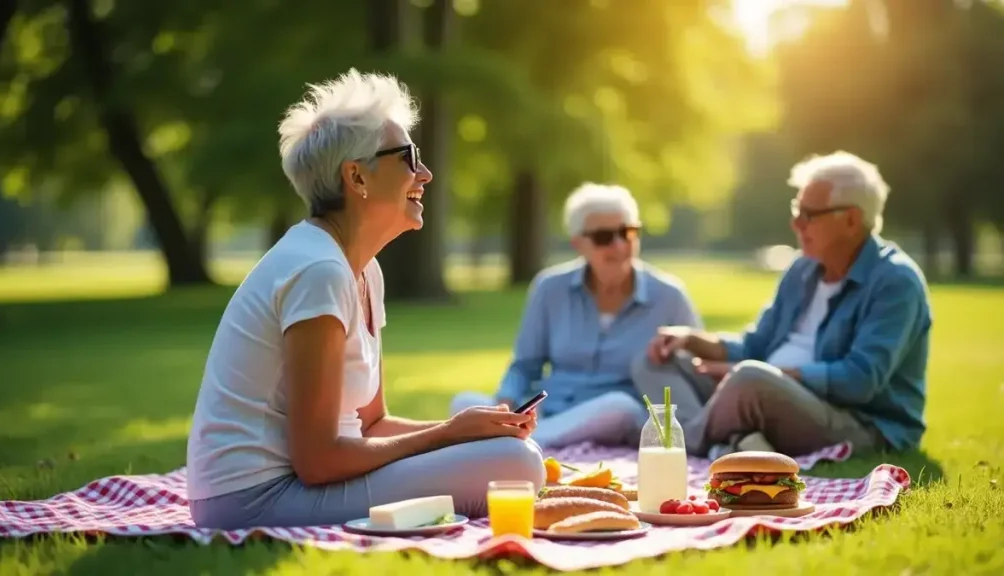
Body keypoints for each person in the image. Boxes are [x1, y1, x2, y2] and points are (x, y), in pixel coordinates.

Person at [185, 69, 545, 530]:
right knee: (516, 466)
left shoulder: (361, 269)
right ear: (356, 177)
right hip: (252, 500)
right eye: (409, 157)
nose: (426, 173)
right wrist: (450, 434)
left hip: (302, 483)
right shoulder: (319, 271)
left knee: (509, 456)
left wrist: (467, 430)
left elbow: (371, 425)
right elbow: (318, 460)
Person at [633, 151, 931, 459]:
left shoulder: (896, 282)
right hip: (764, 394)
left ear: (852, 220)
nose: (796, 223)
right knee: (653, 360)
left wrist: (769, 375)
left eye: (809, 214)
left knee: (748, 379)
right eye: (796, 210)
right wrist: (690, 339)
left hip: (857, 423)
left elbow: (859, 381)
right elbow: (756, 344)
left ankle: (684, 447)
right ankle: (727, 440)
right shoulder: (802, 269)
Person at [450, 183, 702, 448]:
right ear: (578, 244)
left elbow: (694, 369)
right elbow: (525, 365)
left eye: (627, 232)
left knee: (619, 406)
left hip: (617, 418)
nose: (619, 245)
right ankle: (514, 435)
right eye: (604, 237)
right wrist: (505, 403)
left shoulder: (669, 296)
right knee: (464, 402)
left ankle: (518, 441)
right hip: (548, 410)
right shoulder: (549, 288)